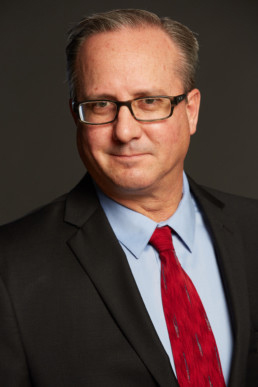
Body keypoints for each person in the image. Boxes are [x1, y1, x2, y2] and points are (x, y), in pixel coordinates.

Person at [0, 9, 257, 387]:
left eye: (149, 101)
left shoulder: (252, 230)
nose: (125, 131)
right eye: (101, 104)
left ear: (191, 110)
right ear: (76, 116)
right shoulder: (11, 269)